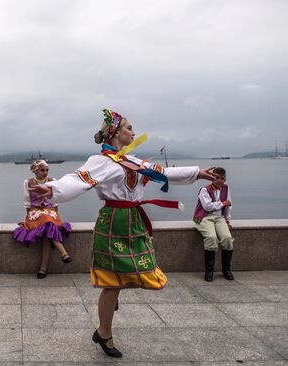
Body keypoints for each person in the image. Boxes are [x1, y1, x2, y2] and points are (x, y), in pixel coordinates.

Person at [31, 109, 218, 358]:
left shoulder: (132, 161)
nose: (133, 132)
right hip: (114, 222)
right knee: (112, 283)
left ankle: (110, 305)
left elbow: (161, 172)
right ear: (116, 132)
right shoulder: (103, 161)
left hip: (133, 221)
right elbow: (78, 179)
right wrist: (52, 189)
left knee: (136, 274)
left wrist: (197, 173)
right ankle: (104, 333)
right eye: (129, 127)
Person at [12, 160, 72, 278]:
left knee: (48, 224)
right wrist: (29, 218)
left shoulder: (52, 182)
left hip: (50, 212)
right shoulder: (28, 182)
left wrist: (56, 219)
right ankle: (63, 253)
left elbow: (55, 202)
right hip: (35, 212)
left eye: (47, 170)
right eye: (42, 170)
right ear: (35, 171)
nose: (45, 173)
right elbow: (27, 202)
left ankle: (43, 269)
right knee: (47, 221)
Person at [193, 167, 234, 282]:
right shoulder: (204, 190)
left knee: (227, 238)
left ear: (225, 179)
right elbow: (207, 206)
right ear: (211, 178)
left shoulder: (226, 188)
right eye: (216, 178)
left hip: (219, 217)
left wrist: (227, 220)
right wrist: (223, 203)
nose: (219, 180)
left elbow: (228, 205)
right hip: (204, 217)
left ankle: (226, 269)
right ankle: (209, 271)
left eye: (222, 178)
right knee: (211, 238)